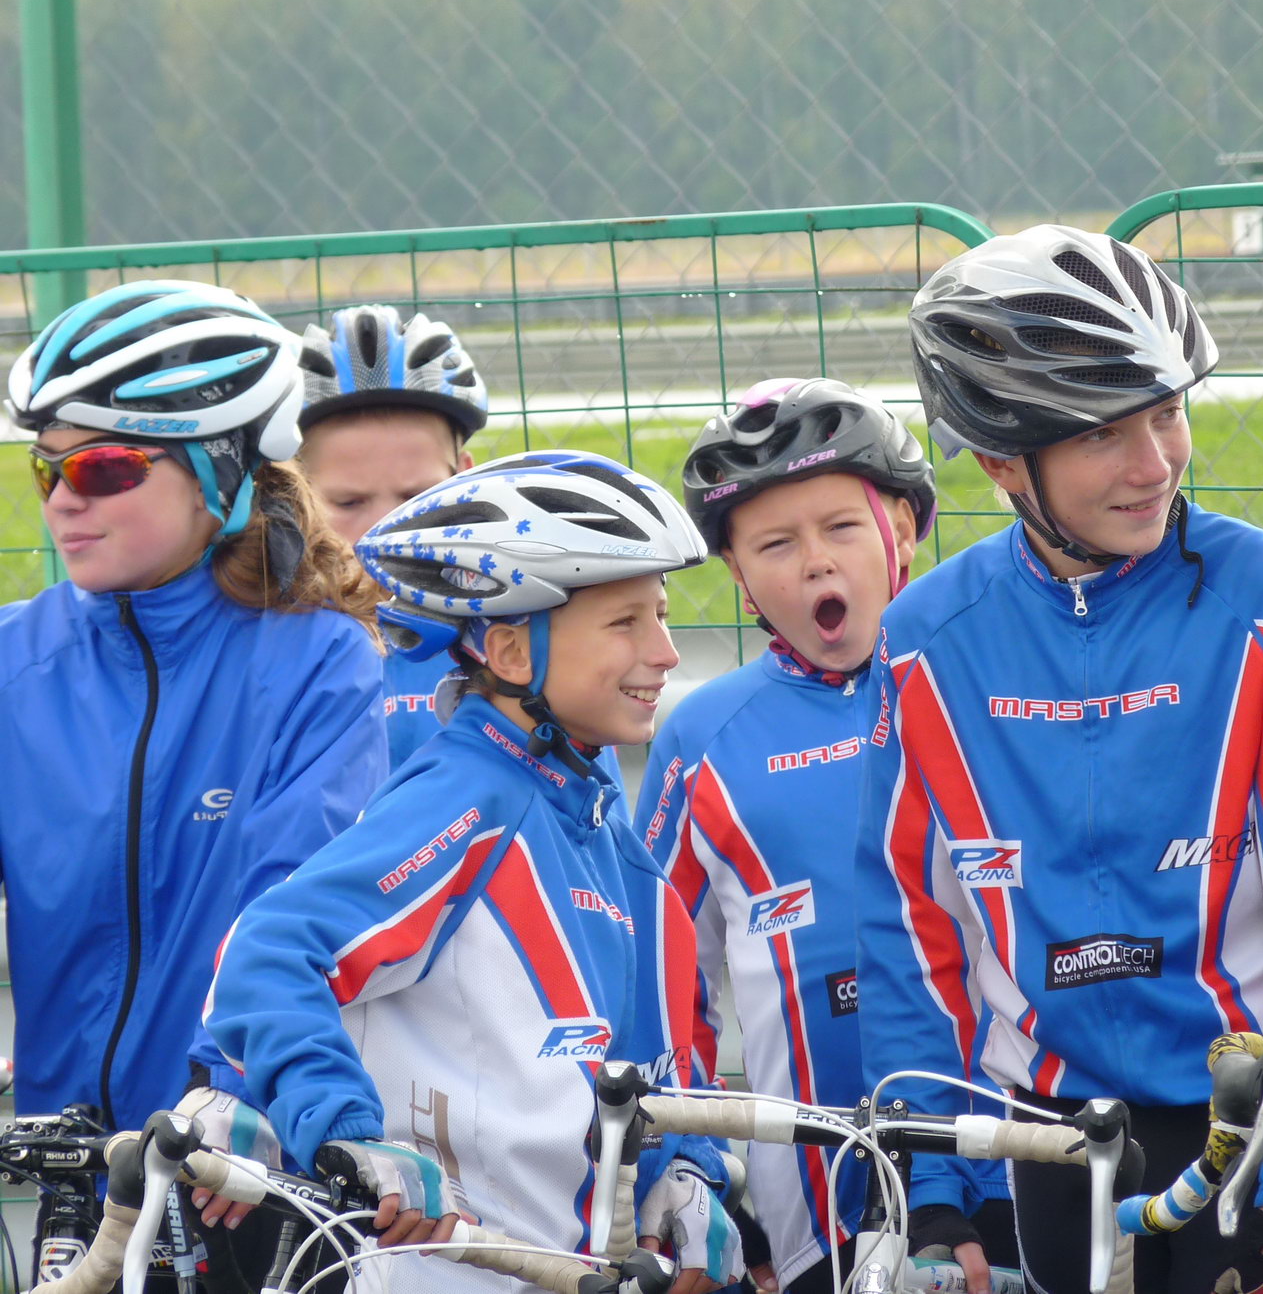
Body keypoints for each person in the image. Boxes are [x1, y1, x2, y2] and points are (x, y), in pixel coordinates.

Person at [854, 226, 1263, 1294]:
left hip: (1255, 1125)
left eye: (1166, 412)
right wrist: (930, 1184)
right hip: (1051, 1136)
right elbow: (908, 929)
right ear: (1000, 461)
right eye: (1104, 434)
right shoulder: (922, 640)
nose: (1155, 464)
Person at [202, 450, 744, 1294]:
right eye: (625, 623)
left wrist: (685, 1168)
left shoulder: (601, 825)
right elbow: (269, 951)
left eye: (663, 616)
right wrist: (345, 1132)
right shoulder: (464, 798)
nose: (667, 652)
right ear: (512, 652)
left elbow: (647, 1060)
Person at [0, 279, 388, 1281]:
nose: (63, 499)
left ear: (223, 469)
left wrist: (232, 1086)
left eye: (104, 466)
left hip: (237, 1161)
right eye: (46, 467)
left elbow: (290, 907)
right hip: (72, 1171)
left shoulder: (318, 660)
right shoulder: (11, 664)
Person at [644, 377, 1016, 1293]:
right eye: (775, 544)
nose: (816, 564)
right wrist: (695, 1169)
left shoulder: (997, 681)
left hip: (1022, 1159)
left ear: (906, 529)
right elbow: (663, 985)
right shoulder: (703, 738)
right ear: (737, 575)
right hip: (813, 1205)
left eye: (842, 528)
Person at [296, 304, 489, 766]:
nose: (388, 532)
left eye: (418, 497)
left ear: (465, 479)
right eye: (349, 502)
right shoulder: (267, 651)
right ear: (293, 496)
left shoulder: (526, 648)